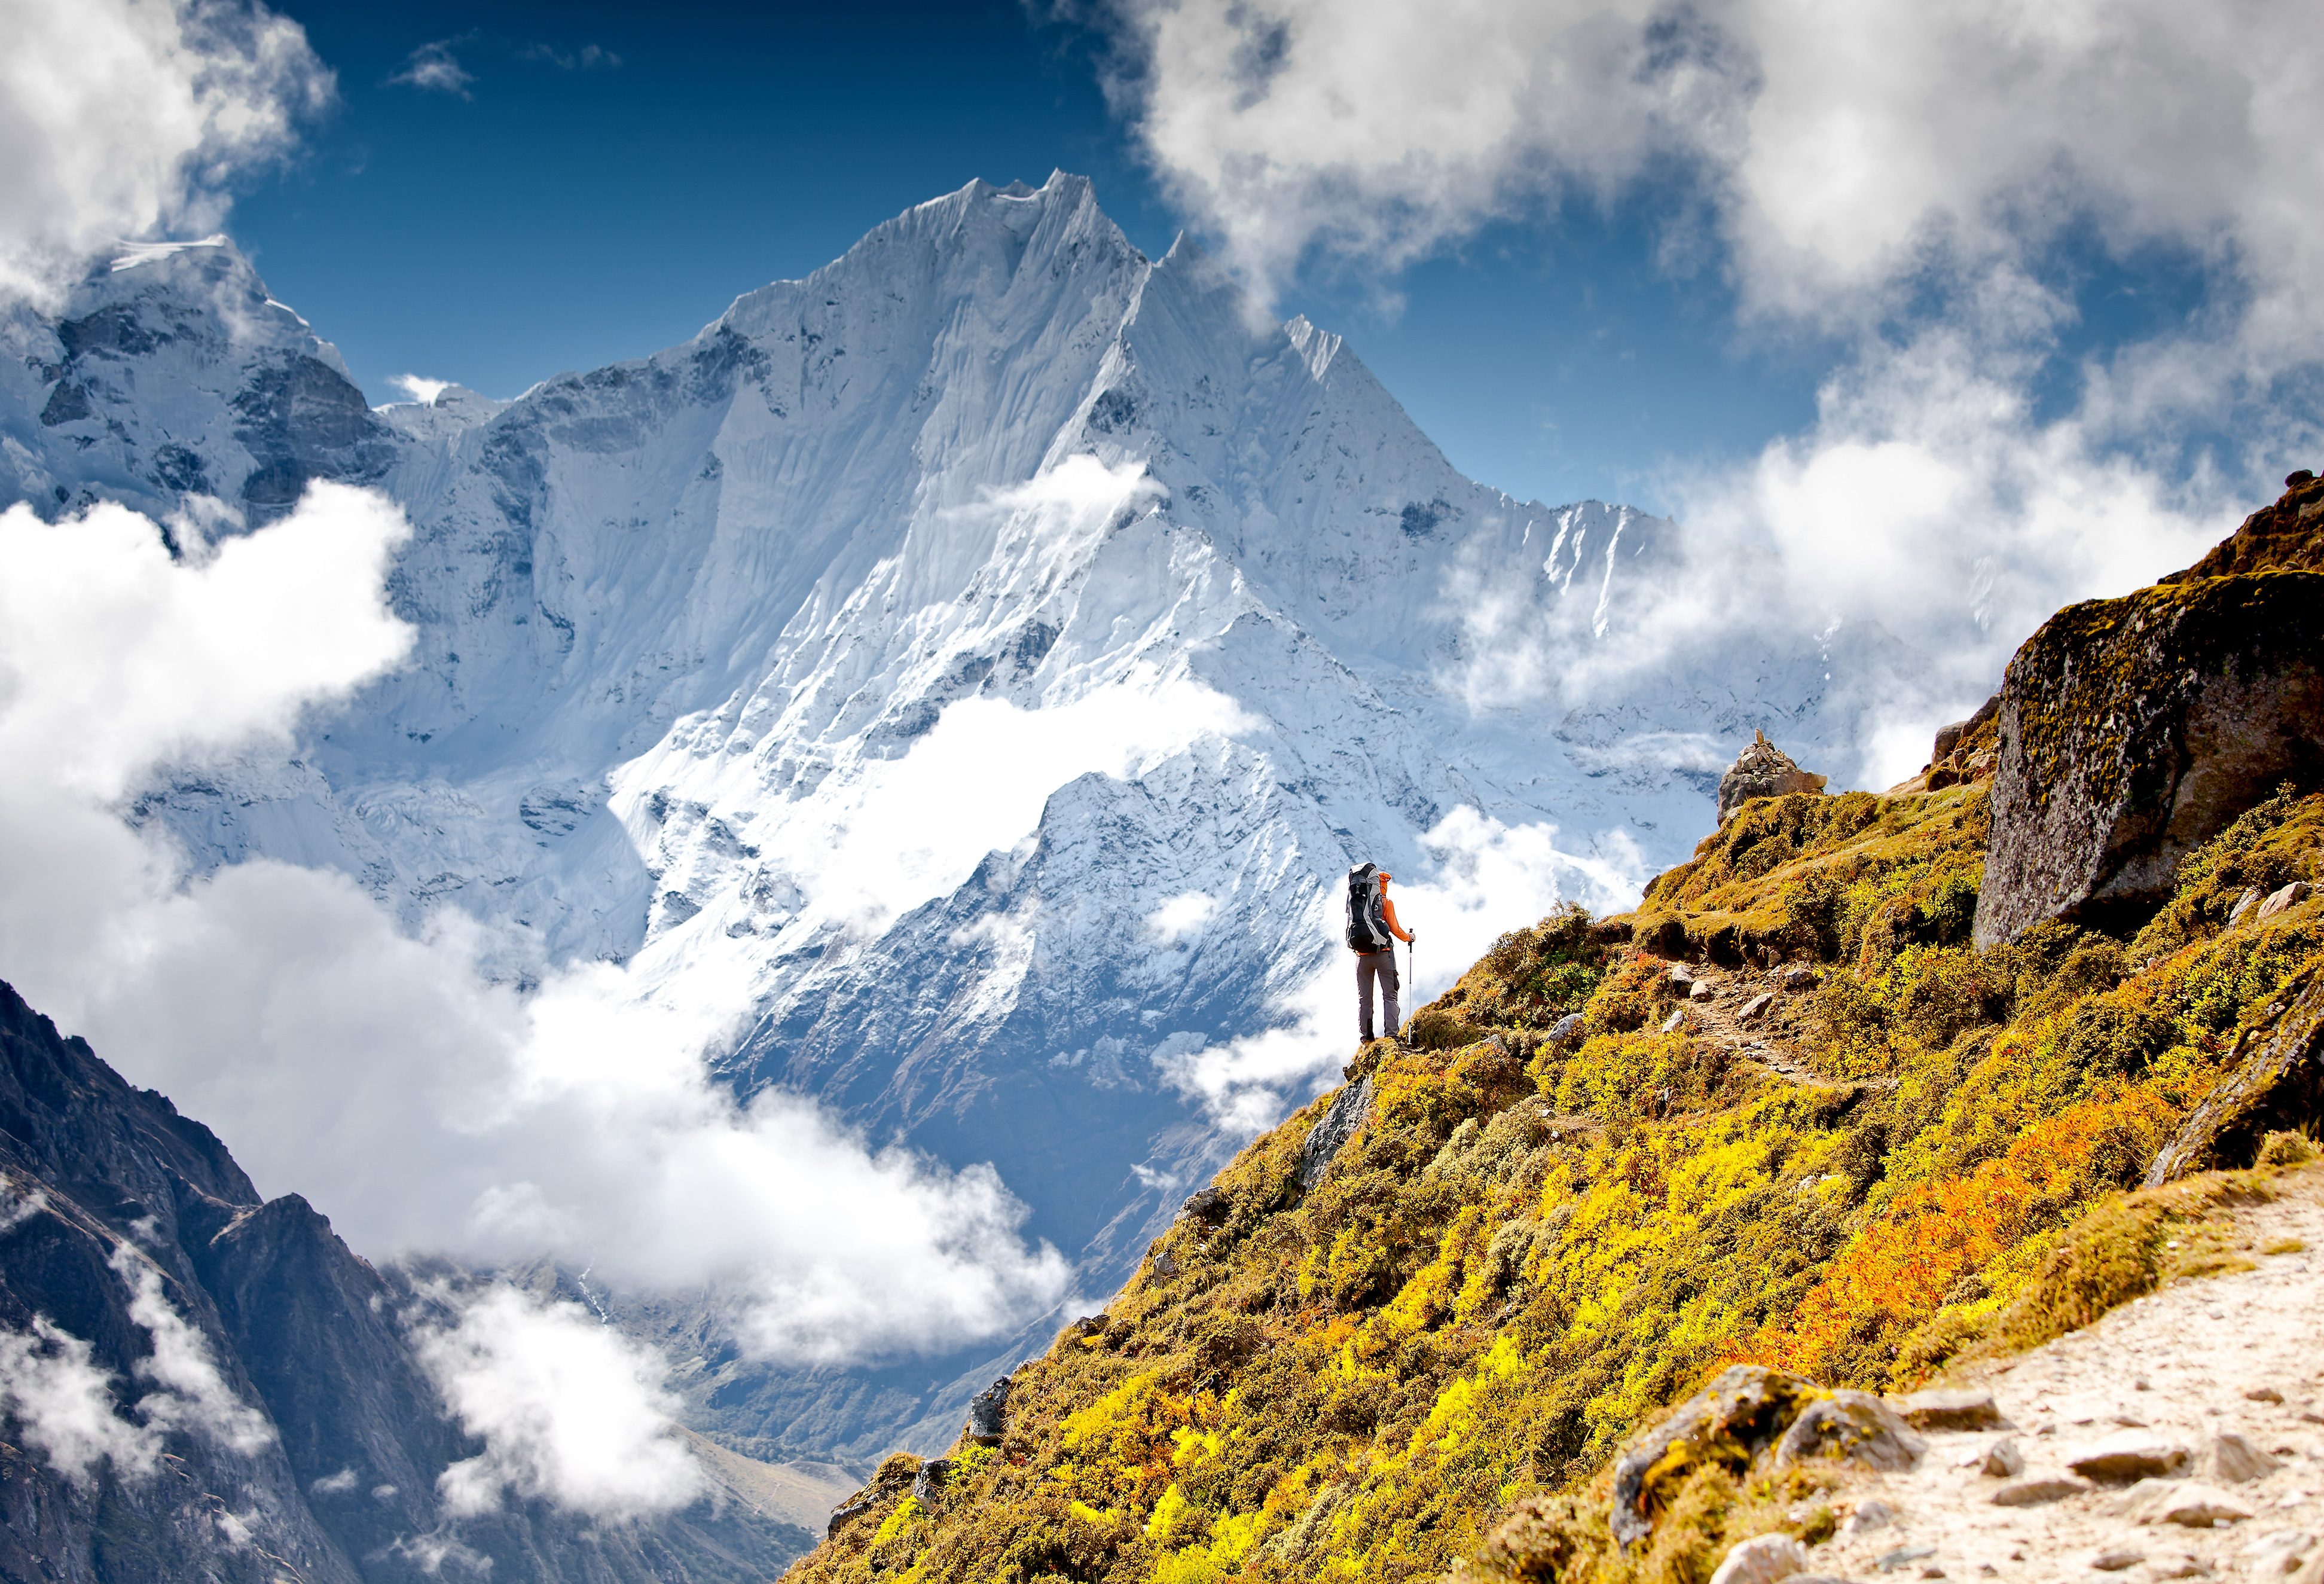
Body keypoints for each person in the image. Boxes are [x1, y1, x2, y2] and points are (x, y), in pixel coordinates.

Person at [1355, 869, 1415, 1043]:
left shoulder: (1357, 903)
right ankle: (1392, 1036)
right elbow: (1395, 930)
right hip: (1384, 955)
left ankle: (1367, 1038)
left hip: (1362, 957)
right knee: (1390, 995)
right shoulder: (1385, 902)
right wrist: (1409, 938)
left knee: (1365, 1000)